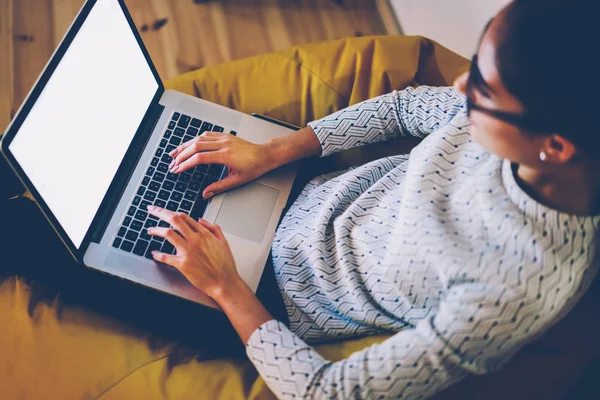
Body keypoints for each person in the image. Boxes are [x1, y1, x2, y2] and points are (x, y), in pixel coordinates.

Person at [141, 0, 600, 398]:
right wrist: (273, 151)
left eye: (483, 88)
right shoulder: (515, 123)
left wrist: (225, 286)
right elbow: (403, 108)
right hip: (301, 186)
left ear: (556, 148)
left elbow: (327, 390)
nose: (461, 88)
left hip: (271, 294)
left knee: (83, 261)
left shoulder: (511, 293)